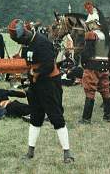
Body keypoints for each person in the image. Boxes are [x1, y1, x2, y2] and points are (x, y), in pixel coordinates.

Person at [8, 18, 74, 163]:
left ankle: (67, 153)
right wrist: (29, 78)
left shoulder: (42, 42)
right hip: (35, 85)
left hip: (49, 84)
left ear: (25, 33)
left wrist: (36, 73)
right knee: (35, 118)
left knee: (56, 117)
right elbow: (29, 64)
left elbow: (49, 66)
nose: (19, 43)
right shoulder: (26, 45)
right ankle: (30, 152)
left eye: (18, 40)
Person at [79, 1, 110, 123]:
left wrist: (83, 62)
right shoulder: (108, 35)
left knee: (90, 90)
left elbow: (87, 52)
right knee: (105, 89)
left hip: (92, 66)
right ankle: (108, 116)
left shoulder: (91, 35)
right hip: (104, 65)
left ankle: (86, 118)